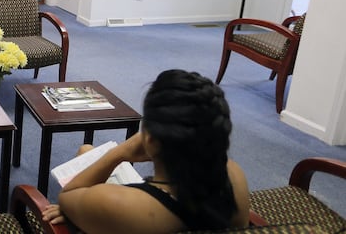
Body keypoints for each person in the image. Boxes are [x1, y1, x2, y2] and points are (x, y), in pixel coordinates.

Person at [41, 69, 250, 234]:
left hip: (121, 215)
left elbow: (67, 199)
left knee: (86, 155)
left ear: (150, 140)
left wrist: (120, 152)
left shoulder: (118, 205)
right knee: (86, 150)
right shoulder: (234, 177)